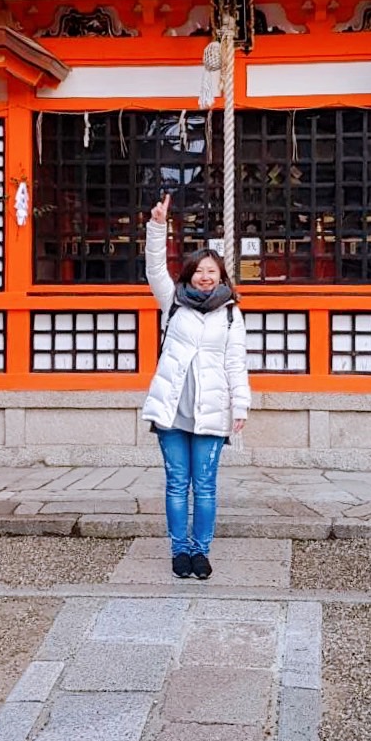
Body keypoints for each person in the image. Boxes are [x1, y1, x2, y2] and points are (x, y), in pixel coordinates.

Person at [142, 193, 251, 580]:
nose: (205, 277)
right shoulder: (173, 302)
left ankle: (200, 551)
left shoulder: (230, 315)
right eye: (199, 271)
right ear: (189, 274)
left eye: (212, 272)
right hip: (173, 409)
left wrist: (241, 407)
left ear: (221, 277)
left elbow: (235, 362)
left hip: (211, 410)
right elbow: (155, 267)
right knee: (176, 484)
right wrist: (158, 227)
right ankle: (179, 550)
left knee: (204, 486)